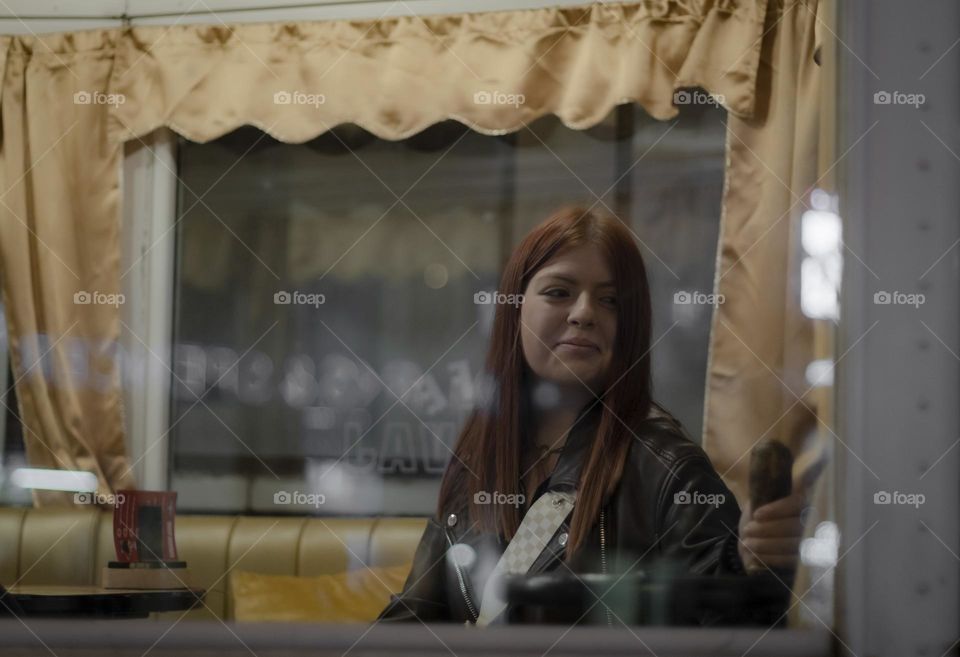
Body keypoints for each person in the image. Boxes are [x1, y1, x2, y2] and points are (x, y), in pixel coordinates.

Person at [377, 206, 808, 626]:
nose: (584, 313)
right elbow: (413, 618)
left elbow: (725, 630)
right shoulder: (480, 457)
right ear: (513, 309)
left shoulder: (668, 467)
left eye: (610, 300)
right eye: (559, 292)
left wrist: (749, 563)